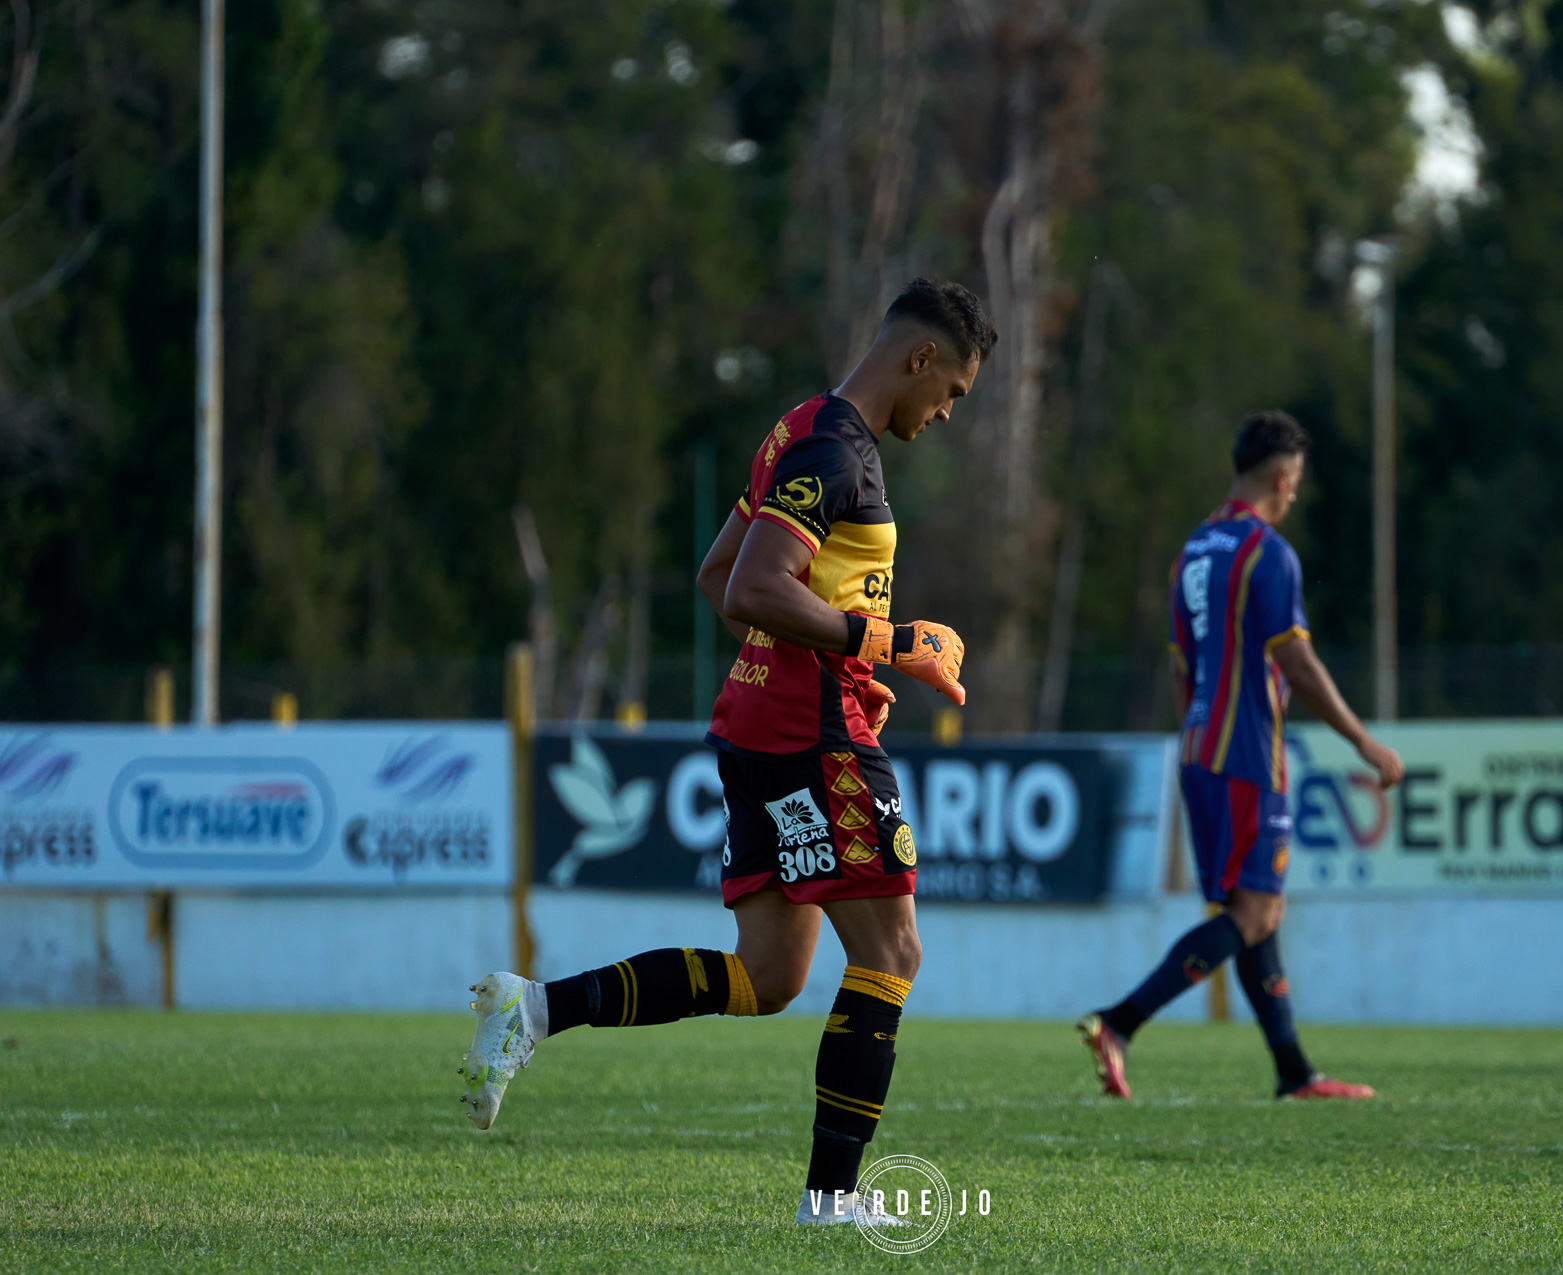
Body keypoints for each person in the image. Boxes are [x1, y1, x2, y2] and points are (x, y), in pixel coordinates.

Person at [458, 278, 997, 1227]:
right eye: (952, 390)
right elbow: (750, 586)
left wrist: (829, 654)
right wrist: (883, 641)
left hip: (761, 723)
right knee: (893, 949)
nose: (948, 412)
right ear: (920, 358)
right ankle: (831, 1199)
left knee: (770, 976)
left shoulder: (799, 428)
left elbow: (718, 573)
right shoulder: (837, 453)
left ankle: (531, 1009)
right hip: (811, 731)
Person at [1078, 409, 1404, 1101]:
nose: (1295, 494)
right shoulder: (1267, 553)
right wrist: (1362, 740)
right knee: (1253, 913)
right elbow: (1298, 661)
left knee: (1257, 912)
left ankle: (1294, 1071)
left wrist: (1202, 737)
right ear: (1282, 478)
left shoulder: (1193, 553)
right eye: (1296, 481)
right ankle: (1120, 1022)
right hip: (1249, 753)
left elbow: (1181, 669)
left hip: (1199, 748)